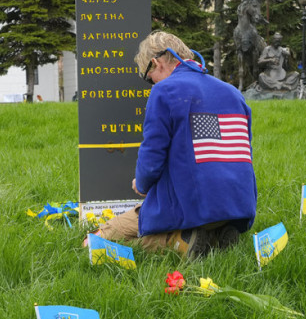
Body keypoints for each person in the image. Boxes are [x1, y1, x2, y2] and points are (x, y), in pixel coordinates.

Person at [91, 31, 257, 258]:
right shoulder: (233, 93)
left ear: (156, 63)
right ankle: (217, 237)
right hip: (238, 204)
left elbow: (152, 156)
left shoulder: (165, 91)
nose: (151, 84)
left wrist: (141, 184)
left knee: (101, 239)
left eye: (148, 78)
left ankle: (179, 243)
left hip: (193, 202)